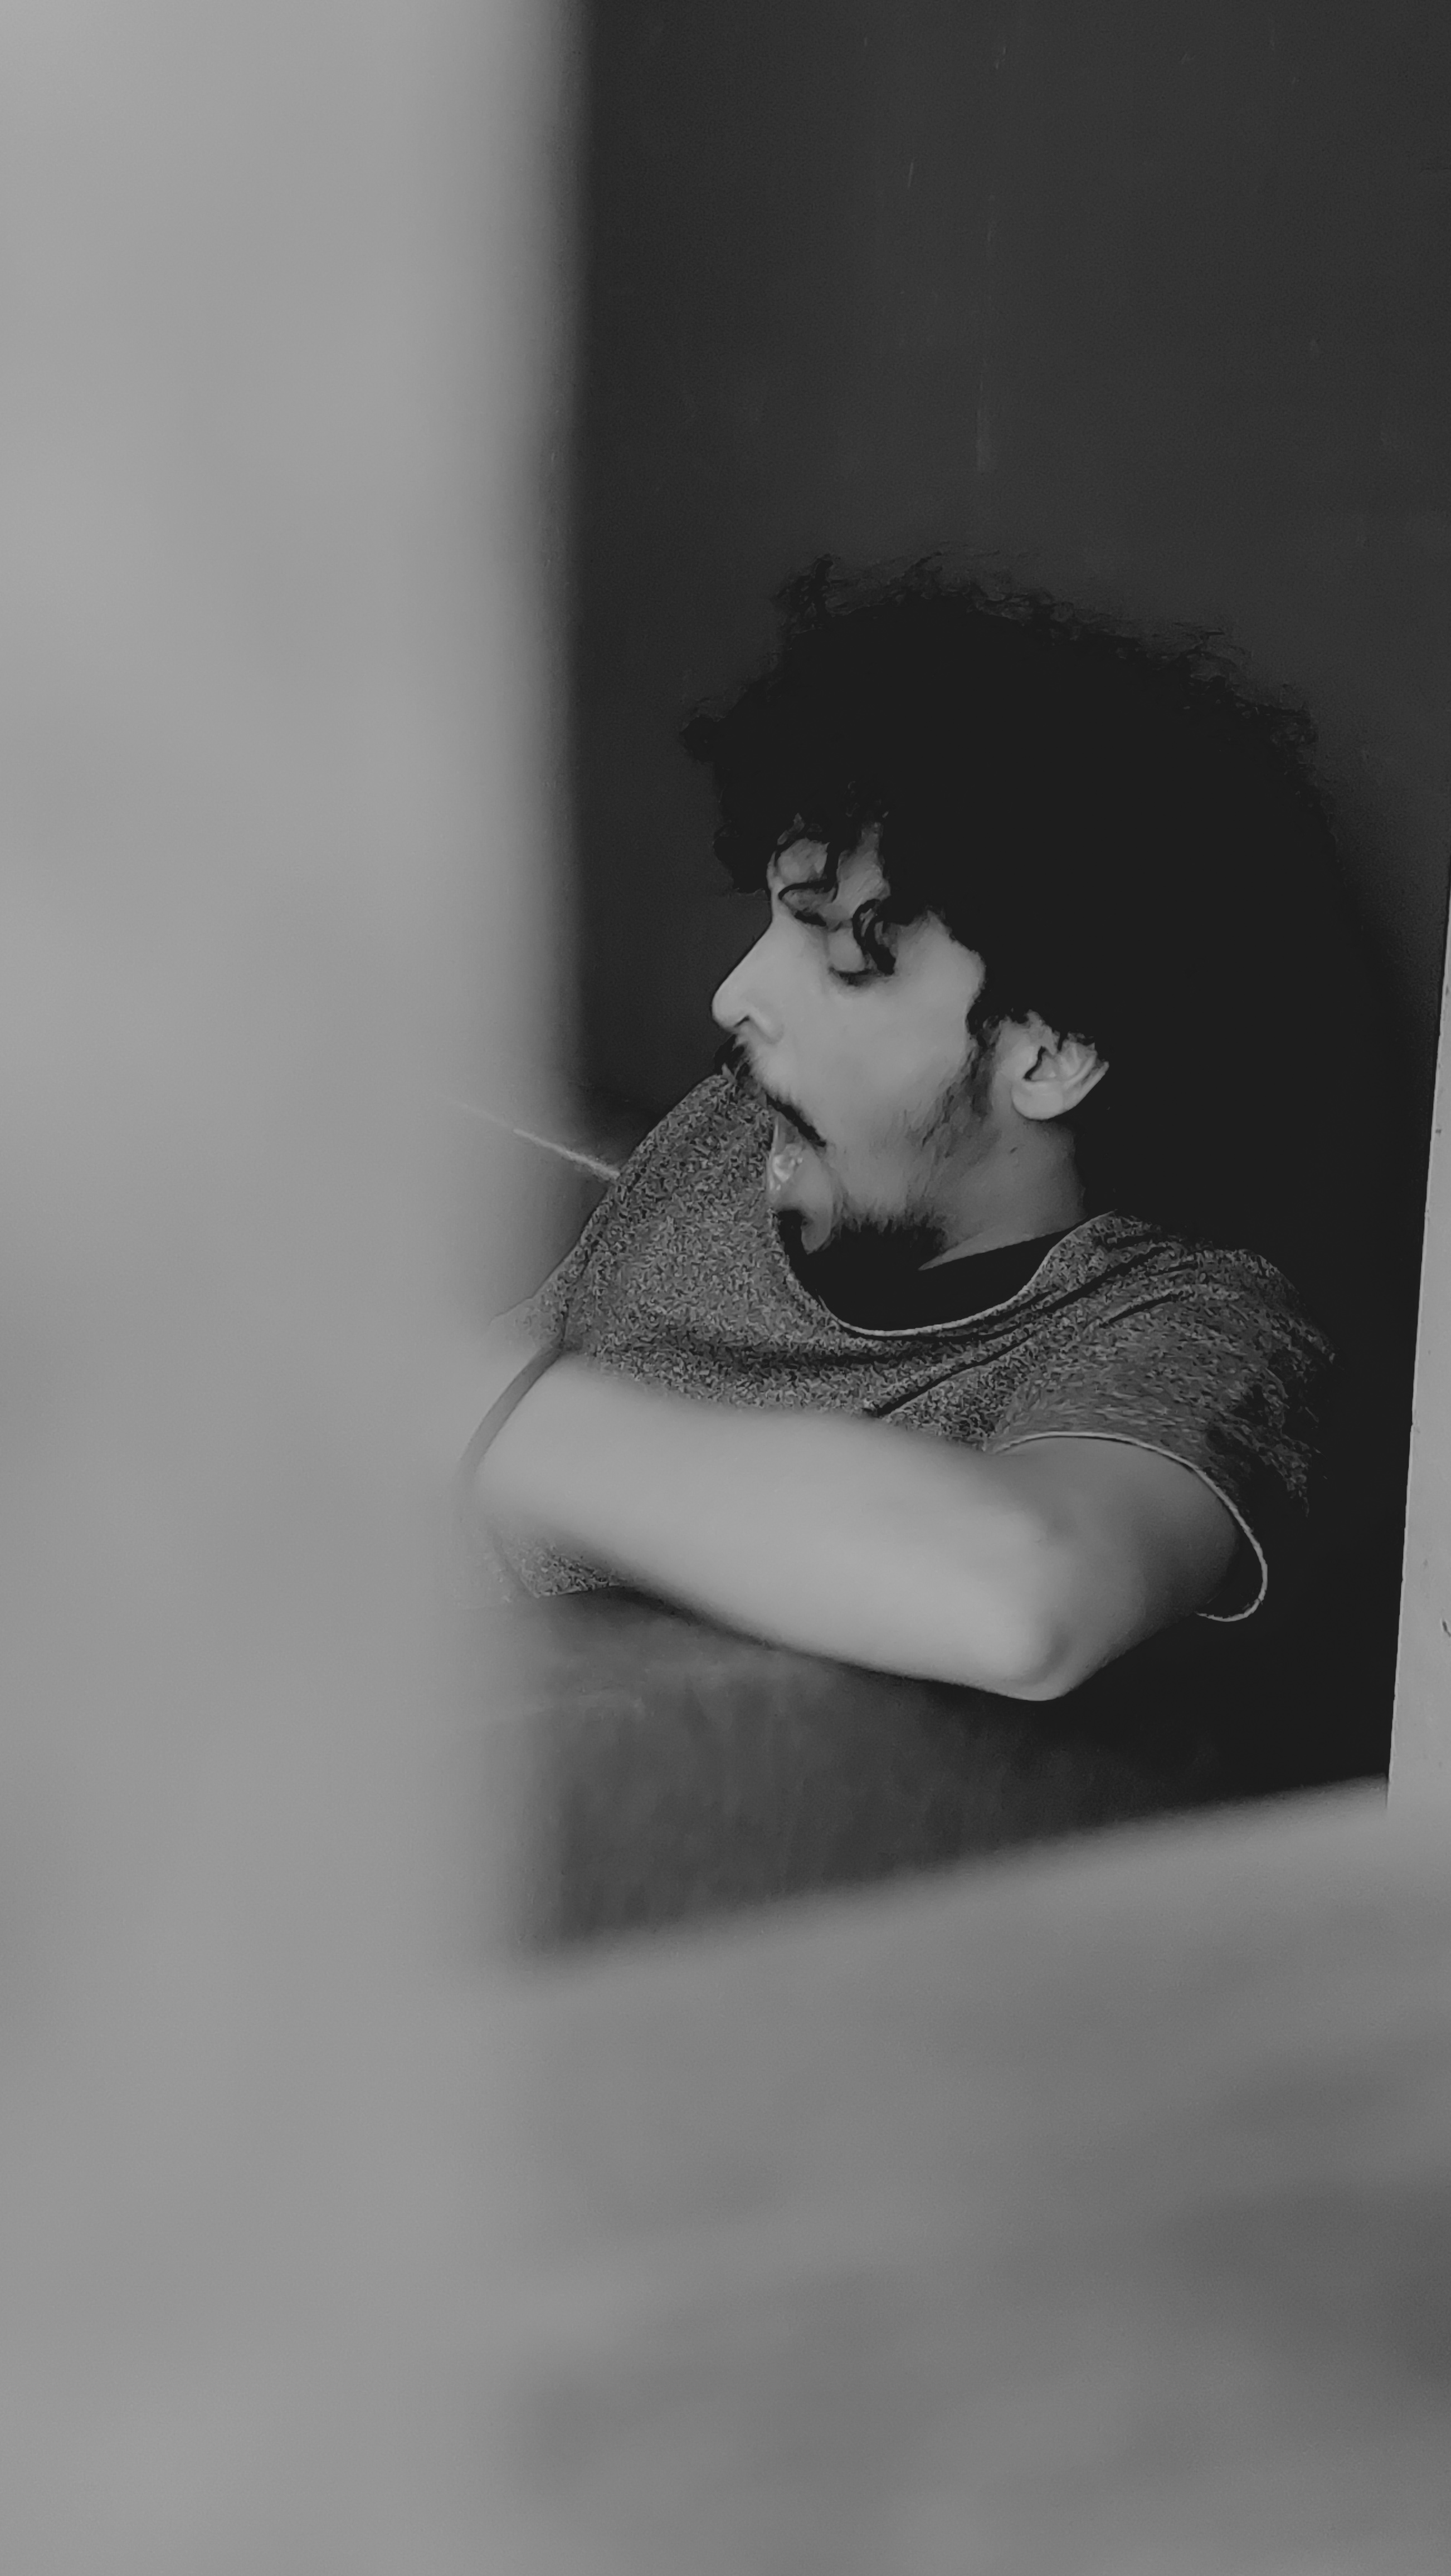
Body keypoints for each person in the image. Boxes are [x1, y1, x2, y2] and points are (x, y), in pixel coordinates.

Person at [463, 561, 1341, 1703]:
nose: (735, 996)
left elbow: (1021, 1597)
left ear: (1047, 1053)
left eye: (841, 961)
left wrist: (447, 1399)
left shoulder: (1188, 1335)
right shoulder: (743, 1128)